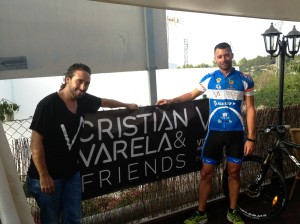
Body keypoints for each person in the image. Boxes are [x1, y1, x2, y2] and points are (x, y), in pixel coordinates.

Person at [26, 63, 138, 224]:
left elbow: (104, 102)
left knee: (73, 218)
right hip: (47, 176)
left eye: (87, 83)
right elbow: (36, 143)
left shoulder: (83, 100)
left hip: (71, 174)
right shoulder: (48, 105)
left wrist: (126, 105)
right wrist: (44, 176)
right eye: (79, 81)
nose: (83, 87)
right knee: (51, 219)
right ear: (67, 80)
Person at [157, 42, 256, 224]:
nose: (223, 59)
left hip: (236, 134)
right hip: (215, 134)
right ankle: (201, 212)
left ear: (232, 55)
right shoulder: (209, 78)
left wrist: (251, 137)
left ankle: (232, 211)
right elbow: (191, 95)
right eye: (219, 56)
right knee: (205, 174)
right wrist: (172, 100)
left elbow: (250, 109)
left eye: (226, 55)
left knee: (234, 174)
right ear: (215, 58)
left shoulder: (245, 79)